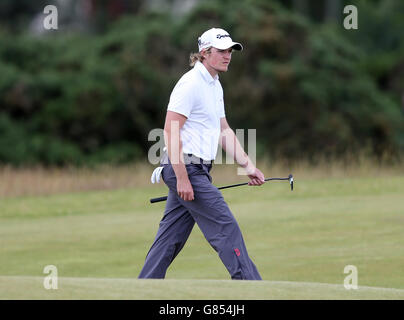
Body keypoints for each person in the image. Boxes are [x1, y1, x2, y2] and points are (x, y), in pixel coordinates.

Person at [138, 28, 265, 280]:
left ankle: (144, 288)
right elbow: (170, 131)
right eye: (222, 51)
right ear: (205, 53)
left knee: (169, 239)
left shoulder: (215, 86)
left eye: (230, 51)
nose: (228, 55)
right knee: (225, 226)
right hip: (184, 169)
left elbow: (223, 131)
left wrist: (248, 166)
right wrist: (183, 178)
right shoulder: (191, 83)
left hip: (198, 170)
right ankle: (252, 287)